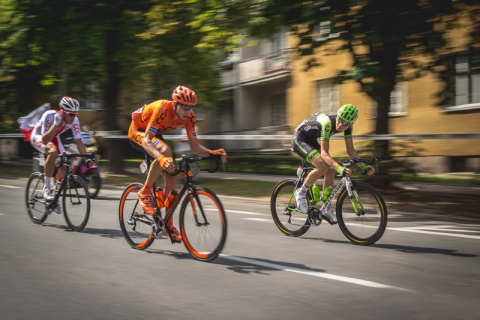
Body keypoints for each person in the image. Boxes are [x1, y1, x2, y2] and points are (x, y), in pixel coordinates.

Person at [128, 85, 227, 242]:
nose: (188, 111)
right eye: (185, 107)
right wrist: (160, 158)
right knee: (166, 152)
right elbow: (147, 140)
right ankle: (144, 192)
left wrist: (211, 153)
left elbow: (195, 146)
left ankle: (168, 225)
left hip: (155, 133)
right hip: (138, 131)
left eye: (191, 107)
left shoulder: (190, 117)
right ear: (175, 104)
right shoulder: (162, 108)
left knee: (171, 178)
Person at [291, 104, 376, 224]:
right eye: (340, 120)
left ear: (351, 124)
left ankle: (326, 208)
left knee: (330, 170)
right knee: (323, 165)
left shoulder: (348, 127)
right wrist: (340, 169)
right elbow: (324, 154)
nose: (341, 124)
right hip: (299, 139)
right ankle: (300, 193)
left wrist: (364, 166)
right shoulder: (327, 123)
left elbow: (351, 150)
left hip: (311, 139)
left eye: (345, 123)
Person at [30, 97, 94, 201]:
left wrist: (86, 159)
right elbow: (45, 140)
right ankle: (47, 188)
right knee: (53, 152)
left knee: (64, 165)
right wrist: (55, 125)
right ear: (63, 112)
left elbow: (79, 142)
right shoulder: (49, 116)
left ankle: (54, 194)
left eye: (76, 114)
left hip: (54, 138)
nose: (73, 117)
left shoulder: (74, 121)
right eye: (71, 114)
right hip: (39, 136)